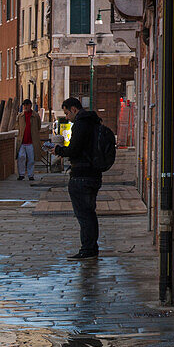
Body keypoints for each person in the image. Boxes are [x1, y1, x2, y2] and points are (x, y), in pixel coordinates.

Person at [48, 97, 103, 260]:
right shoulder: (94, 122)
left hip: (81, 175)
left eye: (66, 113)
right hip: (94, 173)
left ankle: (87, 249)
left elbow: (74, 149)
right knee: (90, 213)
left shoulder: (81, 123)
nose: (66, 117)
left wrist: (58, 150)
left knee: (84, 215)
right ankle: (92, 247)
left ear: (73, 109)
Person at [15, 98, 45, 181]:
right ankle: (21, 174)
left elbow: (38, 126)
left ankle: (30, 175)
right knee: (21, 157)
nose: (25, 107)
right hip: (22, 141)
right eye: (24, 105)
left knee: (31, 159)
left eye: (27, 105)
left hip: (31, 141)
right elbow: (17, 126)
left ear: (30, 106)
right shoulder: (20, 116)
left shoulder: (35, 116)